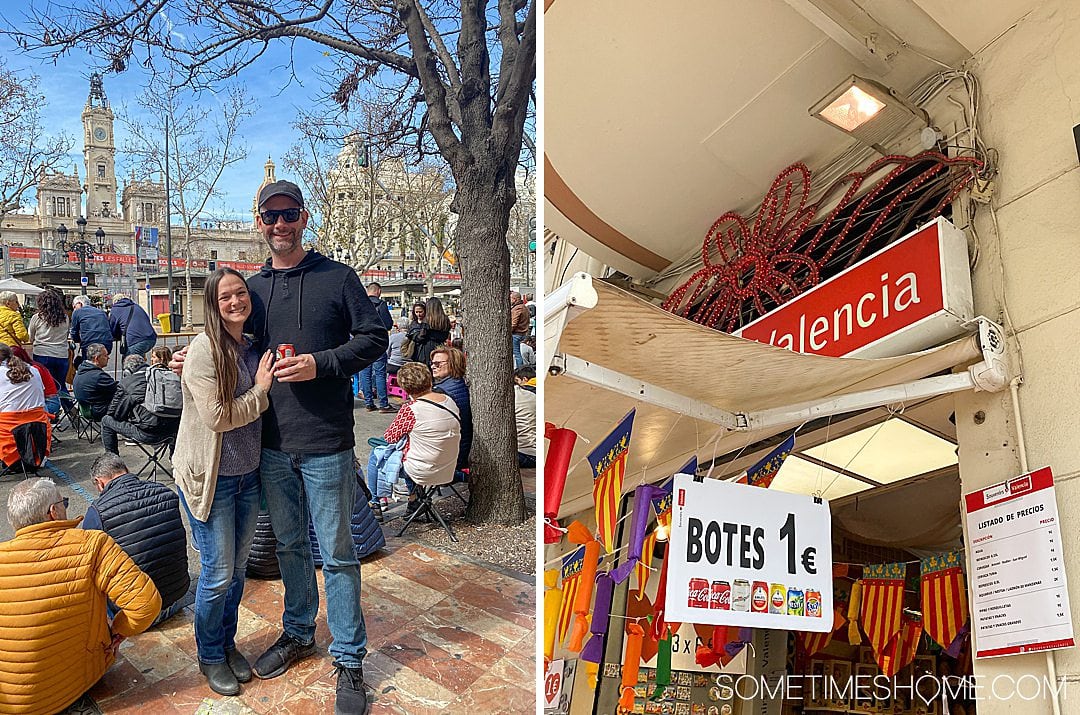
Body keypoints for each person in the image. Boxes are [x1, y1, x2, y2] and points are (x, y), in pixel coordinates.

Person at [172, 180, 386, 712]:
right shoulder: (254, 289)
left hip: (326, 442)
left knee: (336, 554)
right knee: (290, 547)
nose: (280, 225)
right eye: (270, 217)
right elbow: (229, 341)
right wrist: (187, 363)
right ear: (259, 224)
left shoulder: (338, 277)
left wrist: (322, 363)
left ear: (304, 217)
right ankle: (297, 632)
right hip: (270, 447)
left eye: (289, 214)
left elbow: (374, 339)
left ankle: (350, 660)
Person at [172, 268, 274, 696]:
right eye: (225, 297)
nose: (236, 301)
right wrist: (261, 391)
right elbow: (217, 417)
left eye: (241, 293)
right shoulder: (203, 351)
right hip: (211, 480)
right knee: (216, 574)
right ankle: (209, 654)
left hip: (246, 476)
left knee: (235, 574)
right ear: (212, 306)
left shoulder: (248, 346)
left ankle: (224, 642)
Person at [0, 477, 160, 714]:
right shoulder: (92, 544)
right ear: (53, 512)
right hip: (74, 685)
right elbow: (146, 605)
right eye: (63, 502)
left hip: (11, 703)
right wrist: (118, 630)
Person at [81, 453, 190, 626]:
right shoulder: (165, 492)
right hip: (178, 597)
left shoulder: (98, 512)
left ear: (100, 482)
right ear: (126, 470)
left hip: (138, 615)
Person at [376, 362, 461, 519]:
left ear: (405, 388)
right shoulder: (449, 401)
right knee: (414, 449)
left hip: (423, 471)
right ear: (429, 380)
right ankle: (414, 499)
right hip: (448, 466)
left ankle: (376, 503)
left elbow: (390, 437)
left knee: (378, 455)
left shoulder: (411, 409)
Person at [101, 348, 181, 454]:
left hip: (148, 433)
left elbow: (115, 413)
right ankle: (173, 458)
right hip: (174, 429)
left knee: (106, 420)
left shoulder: (128, 382)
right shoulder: (166, 375)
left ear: (127, 371)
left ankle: (112, 461)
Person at [430, 346, 472, 471]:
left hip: (451, 455)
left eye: (438, 364)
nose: (433, 367)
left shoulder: (442, 392)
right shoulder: (459, 384)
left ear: (453, 364)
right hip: (460, 447)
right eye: (432, 363)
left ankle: (412, 489)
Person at [27, 287, 71, 398]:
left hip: (42, 354)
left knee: (46, 386)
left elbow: (30, 337)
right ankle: (70, 409)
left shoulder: (37, 318)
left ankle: (51, 412)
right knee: (61, 385)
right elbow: (66, 335)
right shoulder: (65, 317)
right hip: (61, 354)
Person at [358, 282, 395, 413]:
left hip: (362, 342)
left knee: (365, 372)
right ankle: (383, 404)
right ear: (378, 291)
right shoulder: (381, 304)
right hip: (377, 342)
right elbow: (388, 324)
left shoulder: (359, 303)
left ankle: (368, 403)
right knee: (379, 373)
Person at [12, 345, 59, 417]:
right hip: (42, 401)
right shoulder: (31, 367)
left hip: (48, 402)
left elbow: (36, 394)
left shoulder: (33, 370)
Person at [72, 343, 117, 419]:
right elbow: (118, 388)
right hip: (97, 410)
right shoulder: (98, 376)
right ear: (96, 358)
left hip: (86, 409)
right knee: (126, 401)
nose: (108, 358)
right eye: (105, 356)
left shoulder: (82, 370)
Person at [109, 292, 158, 357]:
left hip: (135, 340)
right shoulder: (136, 306)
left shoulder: (116, 309)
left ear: (114, 302)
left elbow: (113, 327)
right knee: (139, 362)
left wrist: (115, 336)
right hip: (151, 339)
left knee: (130, 363)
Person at [406, 296, 451, 367]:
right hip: (439, 348)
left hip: (424, 351)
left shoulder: (426, 321)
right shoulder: (445, 320)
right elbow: (445, 335)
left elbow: (420, 337)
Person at [513, 365, 537, 468]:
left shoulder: (516, 395)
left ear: (524, 379)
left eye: (517, 380)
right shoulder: (534, 395)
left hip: (523, 453)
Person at [510, 291, 530, 367]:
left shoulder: (518, 309)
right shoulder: (523, 307)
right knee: (517, 353)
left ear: (515, 299)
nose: (510, 300)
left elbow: (514, 323)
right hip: (521, 333)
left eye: (511, 298)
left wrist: (509, 332)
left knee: (517, 354)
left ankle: (519, 370)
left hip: (516, 334)